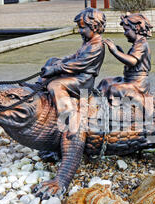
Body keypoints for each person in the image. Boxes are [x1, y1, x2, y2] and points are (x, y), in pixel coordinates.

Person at [37, 7, 106, 138]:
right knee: (52, 60)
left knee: (56, 85)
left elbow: (79, 64)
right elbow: (75, 56)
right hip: (76, 76)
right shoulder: (88, 42)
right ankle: (39, 86)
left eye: (82, 28)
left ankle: (70, 116)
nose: (80, 31)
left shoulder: (97, 45)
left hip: (83, 81)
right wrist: (60, 61)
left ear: (95, 27)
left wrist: (56, 69)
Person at [97, 13, 153, 121]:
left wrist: (115, 51)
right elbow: (131, 62)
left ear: (136, 28)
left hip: (138, 83)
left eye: (126, 30)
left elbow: (132, 61)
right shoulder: (137, 44)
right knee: (105, 82)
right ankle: (99, 106)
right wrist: (122, 53)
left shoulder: (141, 44)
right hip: (129, 79)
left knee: (114, 89)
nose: (125, 33)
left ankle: (115, 115)